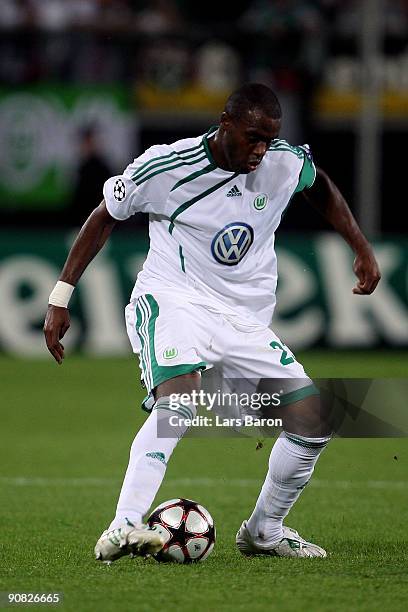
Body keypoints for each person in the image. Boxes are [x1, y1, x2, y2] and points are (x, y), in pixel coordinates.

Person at [44, 83, 381, 561]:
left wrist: (360, 246)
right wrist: (61, 296)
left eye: (268, 139)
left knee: (314, 422)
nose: (260, 151)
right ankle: (123, 526)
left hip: (242, 321)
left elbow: (318, 183)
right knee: (179, 404)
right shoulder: (166, 167)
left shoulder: (281, 161)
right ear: (224, 125)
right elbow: (104, 216)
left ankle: (265, 530)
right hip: (174, 297)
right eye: (251, 138)